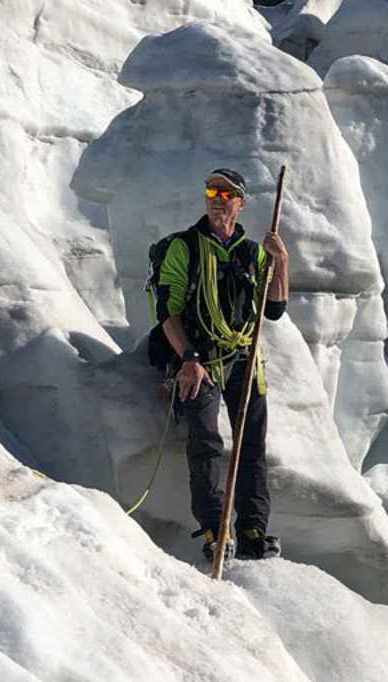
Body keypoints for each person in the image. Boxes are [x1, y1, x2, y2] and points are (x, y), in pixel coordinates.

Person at [154, 167, 290, 562]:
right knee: (206, 444)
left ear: (240, 203)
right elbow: (169, 311)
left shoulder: (254, 252)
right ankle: (216, 530)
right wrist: (188, 359)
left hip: (245, 360)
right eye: (212, 190)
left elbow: (276, 308)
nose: (217, 197)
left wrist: (281, 262)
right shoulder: (186, 247)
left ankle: (253, 531)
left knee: (251, 447)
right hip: (201, 359)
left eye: (227, 193)